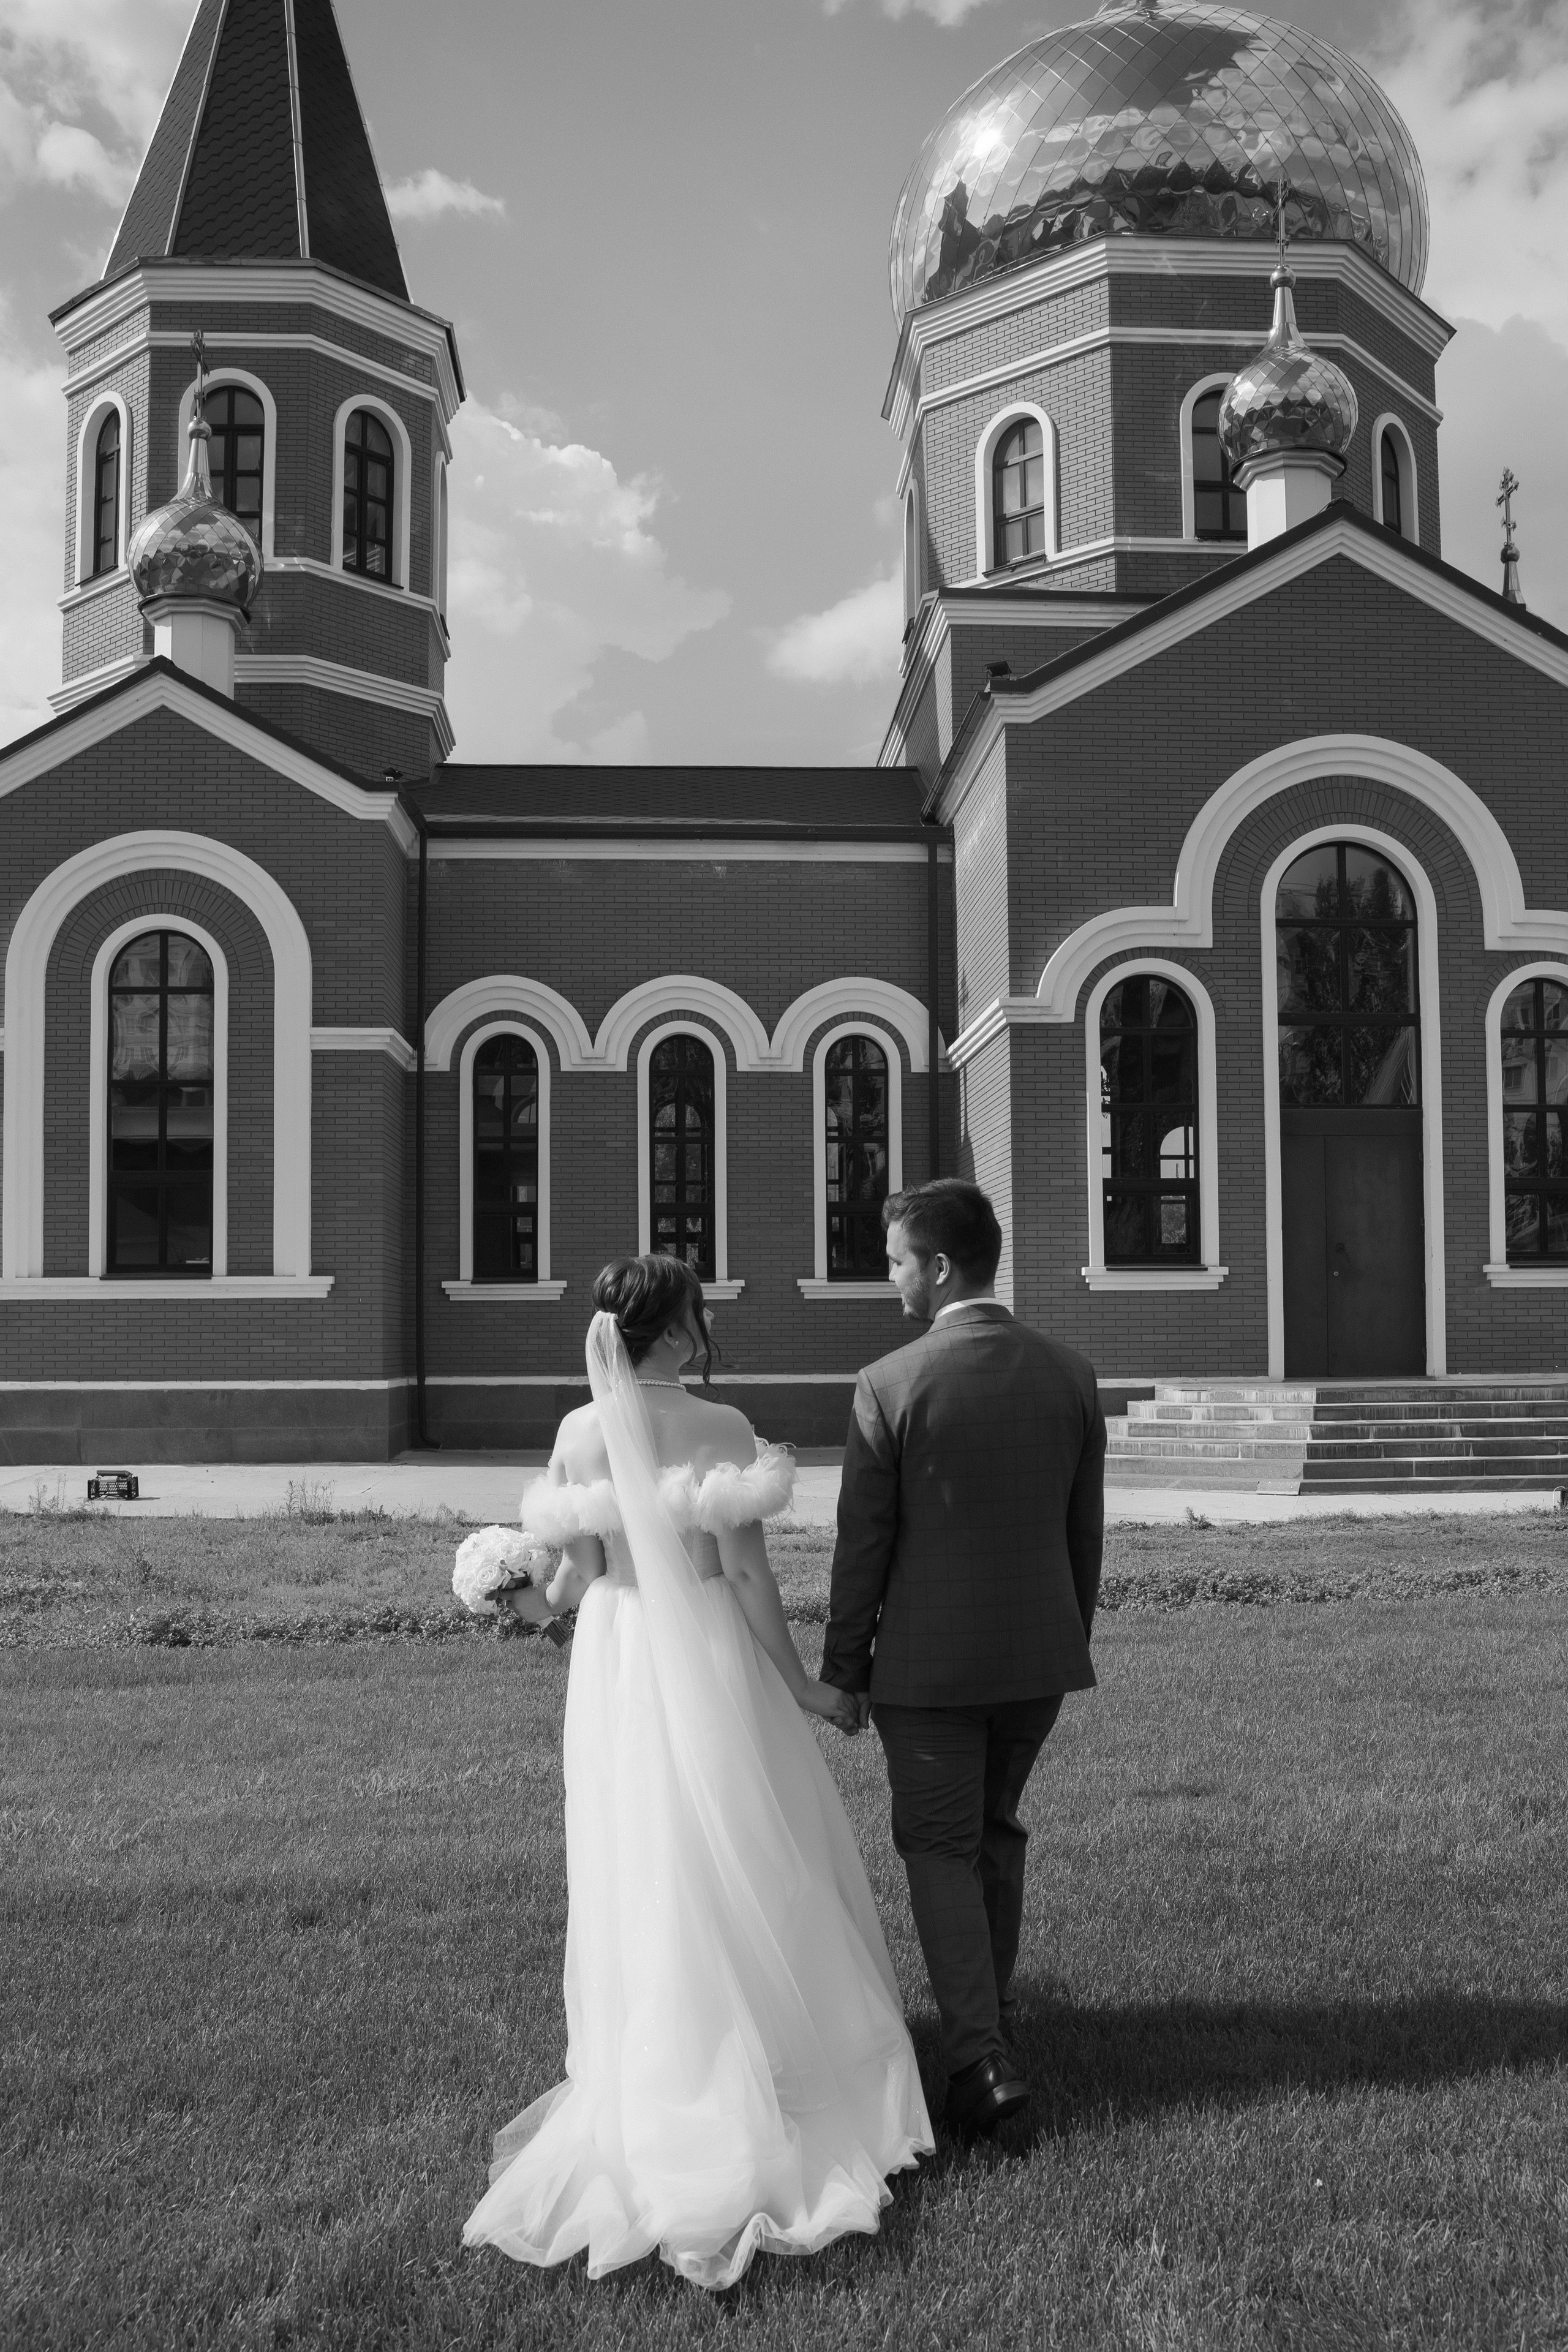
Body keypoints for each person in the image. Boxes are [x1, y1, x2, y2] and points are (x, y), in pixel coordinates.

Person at [462, 1255, 932, 2290]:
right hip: (710, 1657)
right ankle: (778, 2052)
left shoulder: (582, 1433)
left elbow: (576, 1582)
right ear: (673, 1332)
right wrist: (806, 1687)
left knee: (643, 1853)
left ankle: (662, 2058)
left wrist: (510, 1598)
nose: (706, 1322)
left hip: (620, 1660)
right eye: (696, 1311)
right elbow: (749, 1573)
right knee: (750, 1842)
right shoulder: (720, 1428)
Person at [821, 1180, 1105, 2138]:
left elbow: (862, 1546)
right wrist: (1068, 1639)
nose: (888, 1275)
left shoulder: (889, 1383)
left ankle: (980, 2063)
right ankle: (994, 2018)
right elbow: (1083, 1538)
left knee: (940, 1848)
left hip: (929, 1673)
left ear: (940, 1267)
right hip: (1039, 1659)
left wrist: (845, 1669)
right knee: (994, 1832)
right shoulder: (1068, 1372)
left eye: (897, 1258)